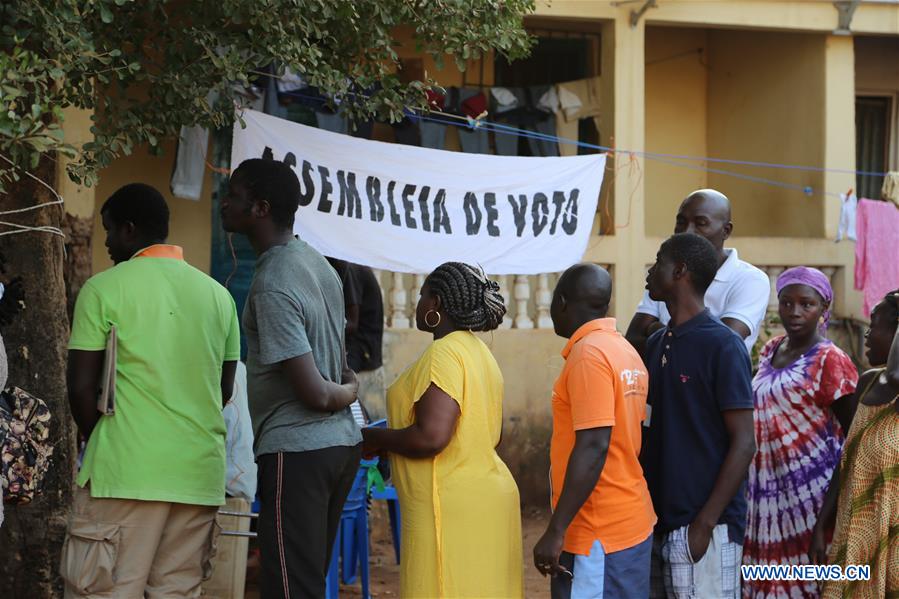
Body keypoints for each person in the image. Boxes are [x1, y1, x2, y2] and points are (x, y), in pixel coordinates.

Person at [64, 184, 240, 598]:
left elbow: (81, 387)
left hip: (125, 474)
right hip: (198, 476)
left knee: (105, 591)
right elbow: (224, 389)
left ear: (128, 230)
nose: (105, 242)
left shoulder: (103, 289)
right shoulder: (219, 296)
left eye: (107, 231)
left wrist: (109, 438)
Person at [222, 158, 361, 599]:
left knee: (288, 588)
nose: (223, 203)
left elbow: (317, 392)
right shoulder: (315, 263)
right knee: (303, 583)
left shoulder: (273, 282)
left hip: (298, 450)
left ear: (260, 208)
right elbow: (338, 365)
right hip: (338, 446)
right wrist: (349, 390)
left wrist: (350, 391)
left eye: (234, 196)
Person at [361, 262, 523, 598]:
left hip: (448, 506)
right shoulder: (480, 353)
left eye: (421, 296)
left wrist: (372, 438)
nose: (418, 304)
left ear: (435, 303)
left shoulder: (444, 353)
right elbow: (488, 432)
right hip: (486, 496)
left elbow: (431, 437)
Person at [640, 233, 757, 599]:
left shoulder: (723, 345)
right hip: (655, 525)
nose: (649, 270)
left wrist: (705, 524)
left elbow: (744, 442)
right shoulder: (657, 343)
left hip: (704, 528)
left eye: (658, 261)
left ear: (679, 270)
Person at [533, 264, 656, 598]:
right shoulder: (623, 350)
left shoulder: (589, 355)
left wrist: (556, 530)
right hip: (627, 520)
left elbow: (594, 446)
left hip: (597, 530)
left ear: (560, 302)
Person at [742, 267, 858, 599]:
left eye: (806, 304)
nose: (795, 312)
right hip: (766, 498)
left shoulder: (830, 361)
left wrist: (824, 523)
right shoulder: (770, 350)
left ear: (824, 309)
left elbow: (853, 443)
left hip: (813, 502)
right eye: (787, 302)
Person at [812, 290, 899, 599]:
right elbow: (848, 459)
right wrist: (823, 524)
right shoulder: (867, 384)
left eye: (875, 324)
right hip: (854, 537)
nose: (867, 332)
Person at [625, 189, 769, 355]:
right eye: (681, 222)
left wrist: (655, 328)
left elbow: (719, 346)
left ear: (726, 231)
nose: (687, 231)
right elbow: (633, 341)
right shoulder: (667, 272)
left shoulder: (751, 280)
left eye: (700, 223)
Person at [327, 257, 386, 422]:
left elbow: (352, 323)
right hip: (362, 348)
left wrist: (320, 326)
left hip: (361, 349)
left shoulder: (350, 268)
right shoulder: (349, 265)